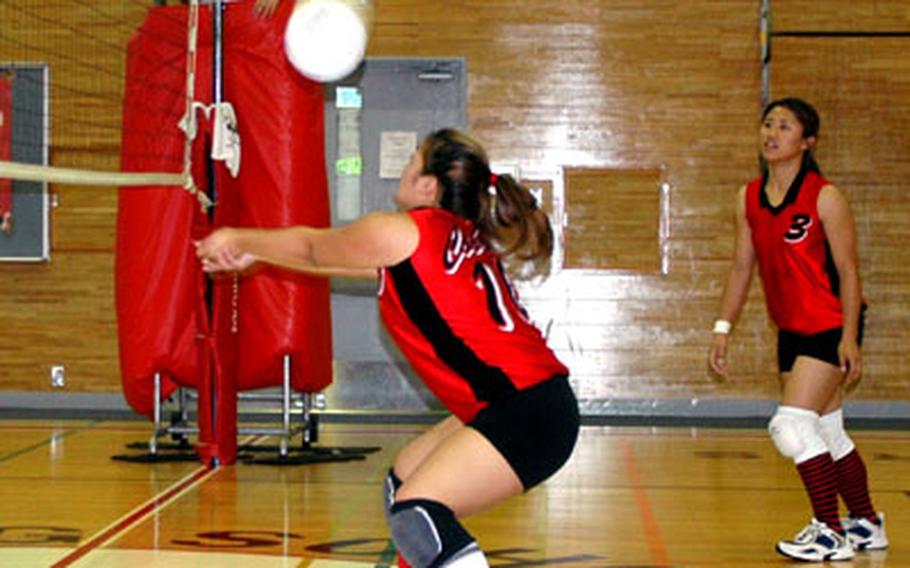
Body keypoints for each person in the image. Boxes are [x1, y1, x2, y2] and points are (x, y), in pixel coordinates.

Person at [196, 128, 580, 567]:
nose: (403, 167)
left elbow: (314, 249)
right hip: (530, 405)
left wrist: (240, 239)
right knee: (404, 482)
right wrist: (259, 255)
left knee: (419, 512)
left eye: (412, 159)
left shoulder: (401, 232)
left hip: (524, 412)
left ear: (428, 185)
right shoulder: (455, 236)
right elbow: (325, 258)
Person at [709, 98, 887, 562]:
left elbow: (848, 270)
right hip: (790, 328)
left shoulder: (824, 197)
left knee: (790, 426)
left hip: (830, 323)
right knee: (828, 431)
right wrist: (722, 327)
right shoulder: (748, 197)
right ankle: (866, 522)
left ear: (806, 142)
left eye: (785, 126)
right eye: (768, 123)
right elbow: (741, 267)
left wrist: (850, 336)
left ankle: (829, 530)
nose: (772, 132)